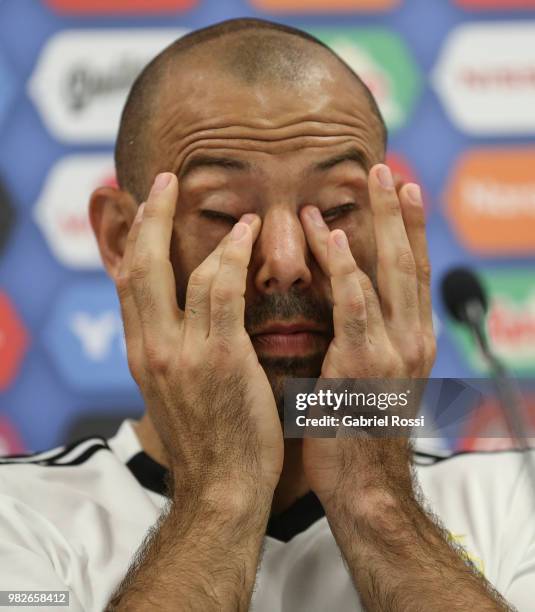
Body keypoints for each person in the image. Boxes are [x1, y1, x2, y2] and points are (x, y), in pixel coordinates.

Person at [0, 18, 533, 612]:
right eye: (224, 214)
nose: (285, 262)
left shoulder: (517, 499)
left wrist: (376, 498)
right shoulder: (16, 517)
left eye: (336, 208)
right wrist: (223, 498)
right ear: (124, 239)